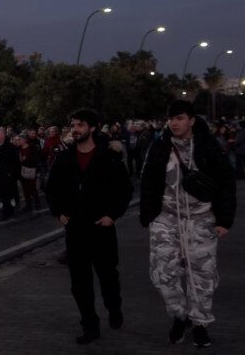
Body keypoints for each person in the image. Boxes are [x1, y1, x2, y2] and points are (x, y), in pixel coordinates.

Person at [139, 100, 236, 347]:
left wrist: (224, 220)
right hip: (166, 218)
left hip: (201, 219)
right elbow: (148, 181)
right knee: (164, 273)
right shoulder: (159, 147)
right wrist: (149, 214)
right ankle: (179, 316)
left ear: (191, 120)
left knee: (202, 276)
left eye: (180, 118)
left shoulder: (207, 146)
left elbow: (226, 182)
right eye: (171, 118)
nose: (174, 123)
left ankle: (200, 323)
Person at [46, 109, 133, 344]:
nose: (75, 129)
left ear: (92, 128)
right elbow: (51, 187)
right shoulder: (65, 158)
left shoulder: (108, 156)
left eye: (80, 125)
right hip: (75, 229)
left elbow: (124, 189)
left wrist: (112, 215)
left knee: (108, 277)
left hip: (101, 228)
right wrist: (58, 212)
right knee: (79, 282)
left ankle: (114, 308)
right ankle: (90, 325)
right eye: (73, 125)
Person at [0, 127, 19, 220]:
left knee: (6, 195)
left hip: (6, 176)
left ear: (2, 136)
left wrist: (10, 174)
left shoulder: (11, 147)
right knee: (1, 194)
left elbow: (15, 162)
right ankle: (9, 211)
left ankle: (6, 213)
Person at [18, 134, 41, 211]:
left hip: (31, 170)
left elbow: (36, 158)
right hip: (22, 170)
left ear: (25, 140)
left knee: (32, 188)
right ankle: (28, 205)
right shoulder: (18, 148)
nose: (18, 141)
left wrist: (26, 159)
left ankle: (37, 203)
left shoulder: (31, 147)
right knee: (25, 189)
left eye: (20, 139)